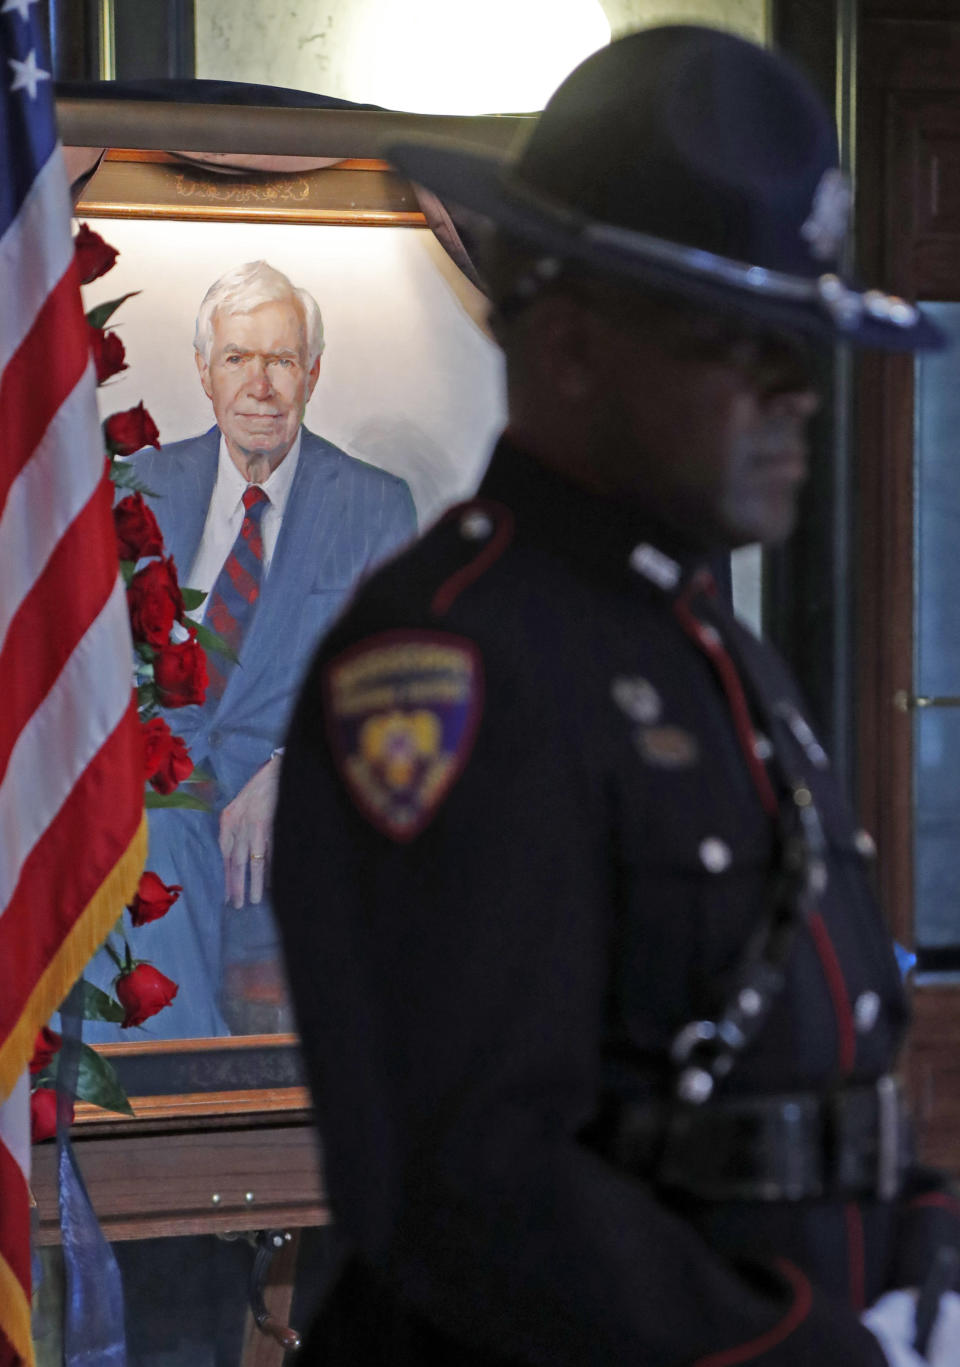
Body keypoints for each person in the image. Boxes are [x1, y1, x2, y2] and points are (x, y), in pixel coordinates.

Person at [272, 26, 960, 1367]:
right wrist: (802, 1354)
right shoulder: (456, 662)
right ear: (575, 347)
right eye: (743, 342)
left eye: (802, 341)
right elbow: (470, 1183)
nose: (794, 392)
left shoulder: (704, 641)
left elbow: (803, 1069)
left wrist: (914, 1243)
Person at [88, 260, 416, 1039]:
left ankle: (174, 1101)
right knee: (143, 821)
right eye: (238, 358)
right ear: (204, 371)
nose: (260, 384)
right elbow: (97, 667)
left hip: (296, 802)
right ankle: (174, 1095)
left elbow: (396, 689)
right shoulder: (137, 491)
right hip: (162, 791)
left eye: (281, 360)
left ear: (312, 373)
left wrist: (290, 764)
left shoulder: (375, 505)